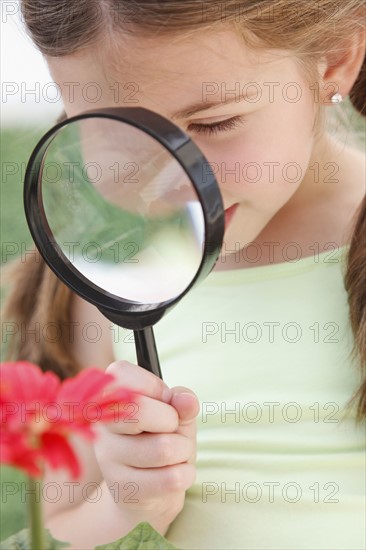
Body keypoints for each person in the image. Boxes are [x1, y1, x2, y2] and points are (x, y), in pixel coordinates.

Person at [4, 1, 366, 548]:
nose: (169, 178)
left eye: (214, 122)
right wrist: (127, 504)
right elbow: (53, 527)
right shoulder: (107, 275)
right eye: (120, 132)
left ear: (334, 61)